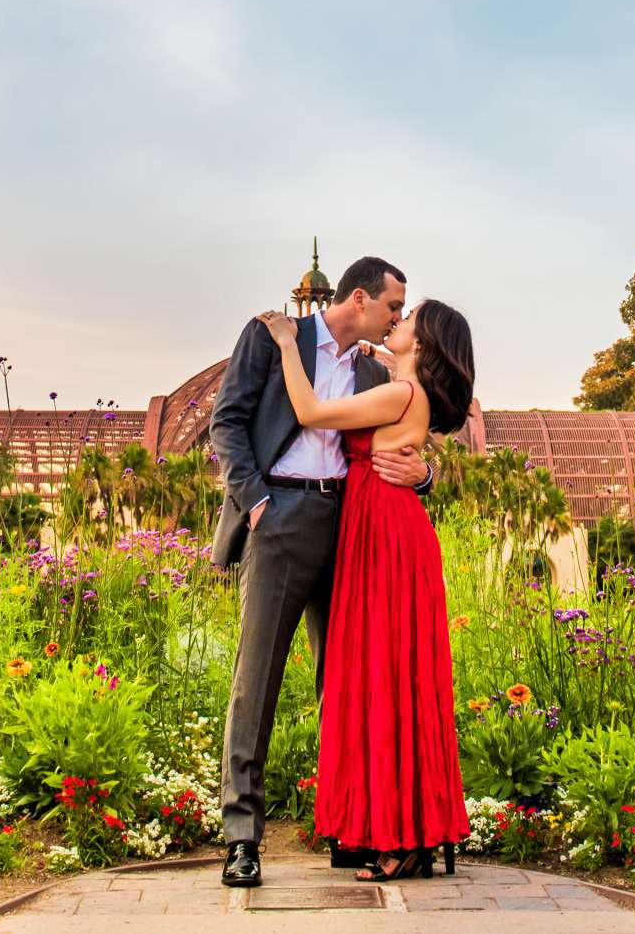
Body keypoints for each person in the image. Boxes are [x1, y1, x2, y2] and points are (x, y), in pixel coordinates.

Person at [210, 256, 433, 888]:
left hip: (353, 526)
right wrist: (255, 502)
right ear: (359, 298)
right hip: (278, 517)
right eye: (393, 306)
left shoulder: (373, 368)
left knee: (348, 682)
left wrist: (426, 475)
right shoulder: (271, 336)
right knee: (257, 682)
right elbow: (225, 422)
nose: (397, 317)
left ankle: (347, 829)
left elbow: (411, 439)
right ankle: (242, 839)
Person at [253, 297, 473, 883]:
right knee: (393, 676)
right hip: (382, 524)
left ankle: (403, 839)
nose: (397, 322)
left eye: (409, 319)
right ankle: (407, 829)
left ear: (422, 344)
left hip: (385, 529)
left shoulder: (400, 394)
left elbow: (310, 410)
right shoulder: (399, 384)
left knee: (385, 674)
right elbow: (379, 361)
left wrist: (283, 341)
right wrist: (370, 347)